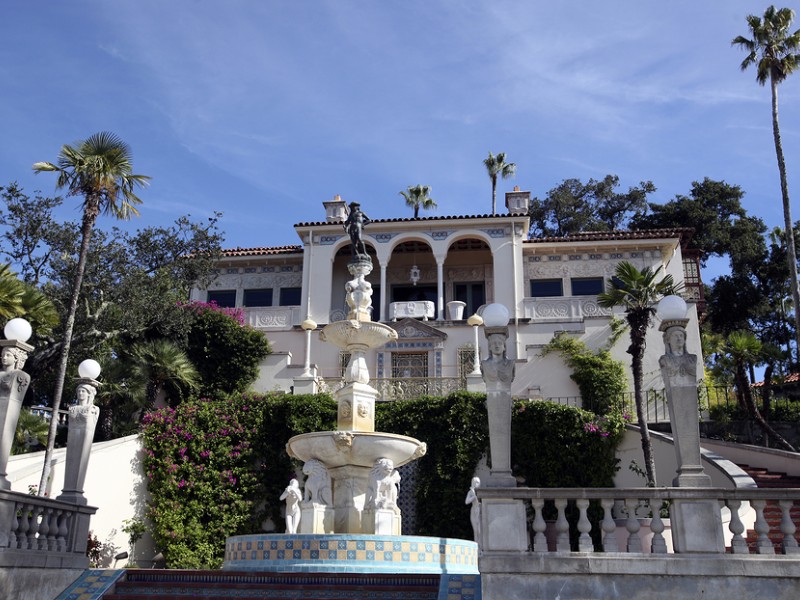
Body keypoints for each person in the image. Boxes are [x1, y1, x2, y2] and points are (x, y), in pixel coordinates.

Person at [465, 476, 481, 543]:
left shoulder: (482, 492)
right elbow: (466, 502)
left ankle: (481, 547)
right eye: (476, 482)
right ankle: (477, 547)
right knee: (475, 530)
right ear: (473, 483)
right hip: (473, 511)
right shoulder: (470, 492)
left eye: (478, 482)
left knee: (480, 530)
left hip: (480, 511)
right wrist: (474, 497)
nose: (477, 484)